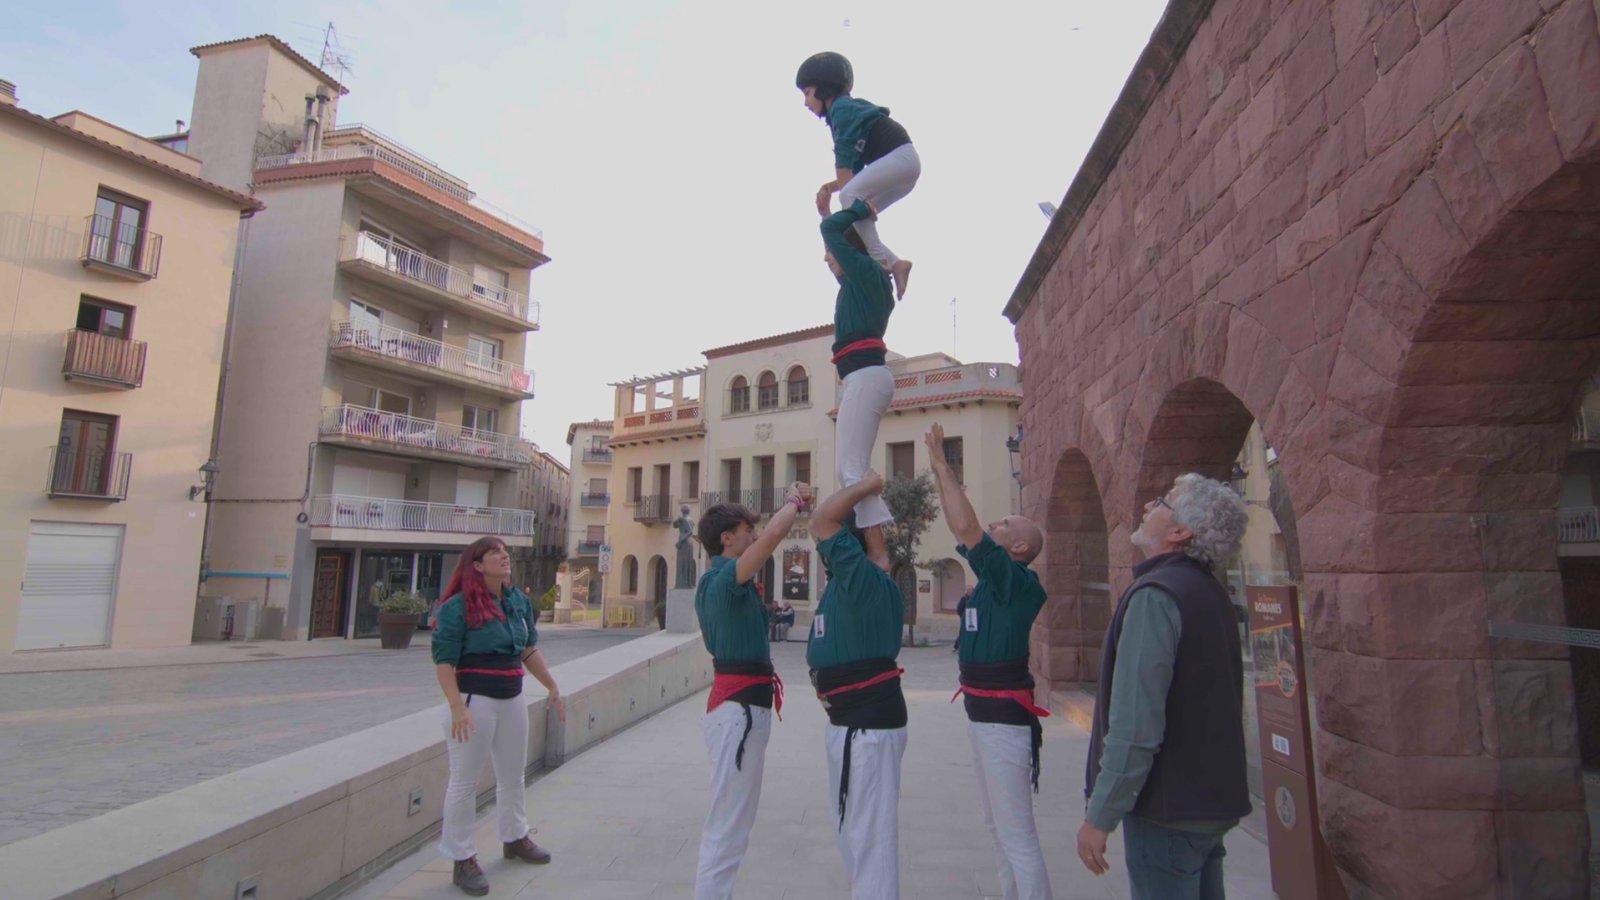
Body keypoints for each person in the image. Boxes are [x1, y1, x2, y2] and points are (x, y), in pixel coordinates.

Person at [1077, 474, 1253, 899]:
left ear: (1179, 532)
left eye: (1162, 502)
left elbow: (1136, 723)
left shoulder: (1157, 596)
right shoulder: (1210, 592)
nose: (1147, 508)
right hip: (1209, 806)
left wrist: (1101, 815)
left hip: (1167, 813)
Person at [925, 423, 1053, 900]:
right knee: (996, 830)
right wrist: (941, 478)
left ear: (1017, 548)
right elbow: (959, 524)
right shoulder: (995, 580)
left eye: (1002, 526)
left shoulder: (1017, 582)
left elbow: (965, 526)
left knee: (1018, 837)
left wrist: (942, 463)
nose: (991, 528)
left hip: (1002, 723)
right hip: (982, 719)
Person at [693, 484, 812, 900]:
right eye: (747, 529)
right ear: (727, 538)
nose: (754, 535)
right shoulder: (724, 577)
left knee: (731, 825)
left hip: (739, 709)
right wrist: (795, 503)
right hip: (738, 712)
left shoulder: (719, 582)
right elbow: (774, 538)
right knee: (727, 828)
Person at [431, 537, 568, 897]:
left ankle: (514, 836)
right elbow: (444, 661)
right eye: (495, 553)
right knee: (464, 782)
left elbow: (527, 649)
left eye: (505, 552)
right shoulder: (457, 607)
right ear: (476, 565)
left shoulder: (517, 601)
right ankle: (462, 858)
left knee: (513, 775)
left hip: (512, 697)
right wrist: (457, 707)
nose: (504, 556)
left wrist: (552, 685)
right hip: (474, 699)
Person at [807, 470, 906, 899]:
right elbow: (879, 553)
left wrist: (867, 487)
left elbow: (821, 522)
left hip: (867, 728)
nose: (823, 550)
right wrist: (870, 515)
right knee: (850, 828)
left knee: (872, 839)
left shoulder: (863, 580)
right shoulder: (856, 580)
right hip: (848, 724)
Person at [797, 51, 919, 299]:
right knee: (854, 219)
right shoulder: (841, 114)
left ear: (823, 88)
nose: (806, 102)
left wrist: (843, 201)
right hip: (903, 171)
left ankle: (879, 261)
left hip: (903, 160)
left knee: (850, 205)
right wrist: (830, 188)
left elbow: (845, 166)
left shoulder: (841, 109)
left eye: (808, 93)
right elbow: (856, 172)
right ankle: (896, 263)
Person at [821, 198, 897, 537]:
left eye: (831, 252)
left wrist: (859, 210)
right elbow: (833, 233)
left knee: (851, 472)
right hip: (862, 379)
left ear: (850, 251)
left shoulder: (867, 276)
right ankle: (875, 545)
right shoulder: (858, 285)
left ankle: (878, 552)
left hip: (866, 378)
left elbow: (832, 232)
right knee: (849, 471)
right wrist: (828, 214)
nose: (825, 258)